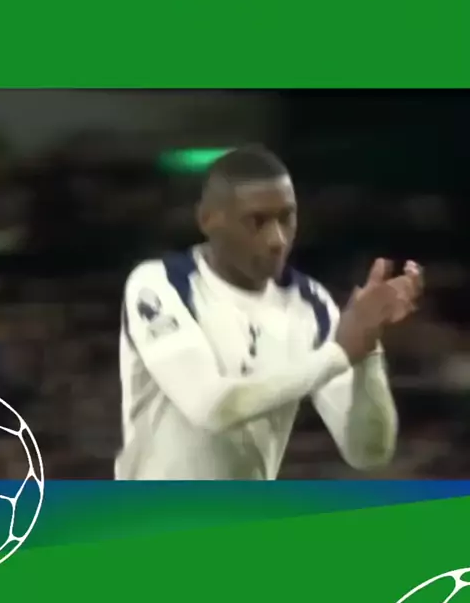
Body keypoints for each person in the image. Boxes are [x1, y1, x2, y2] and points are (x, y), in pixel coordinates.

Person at [117, 145, 423, 480]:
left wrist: (368, 350)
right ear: (208, 219)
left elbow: (368, 453)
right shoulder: (158, 284)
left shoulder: (311, 304)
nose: (277, 239)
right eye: (257, 221)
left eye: (286, 217)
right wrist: (340, 353)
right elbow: (210, 407)